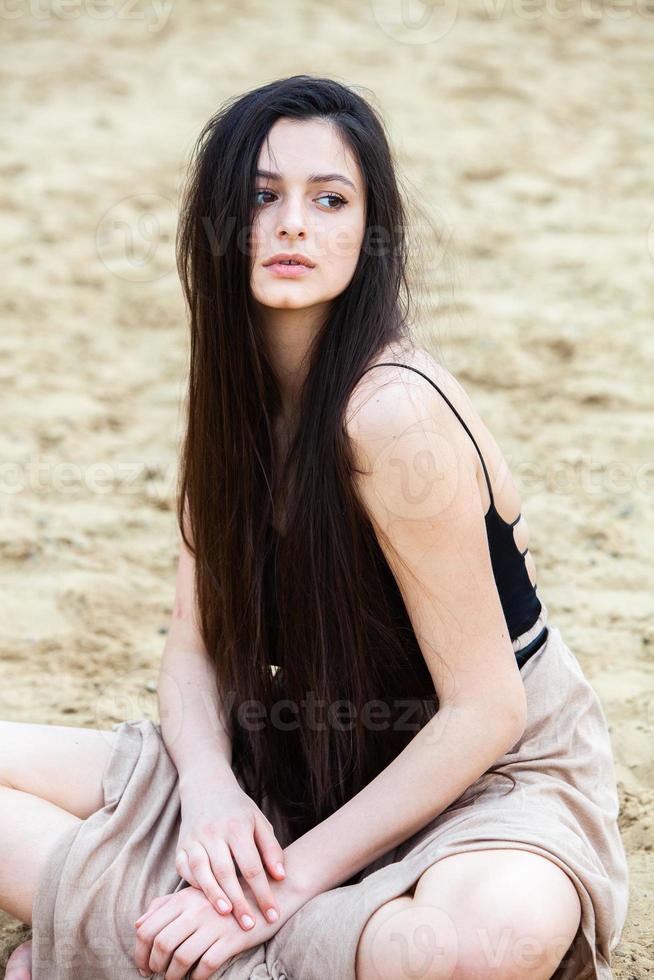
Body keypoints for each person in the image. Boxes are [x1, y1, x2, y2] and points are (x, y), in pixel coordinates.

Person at [4, 74, 629, 980]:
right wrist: (215, 797)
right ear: (217, 223)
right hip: (289, 760)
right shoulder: (235, 400)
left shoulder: (391, 414)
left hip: (480, 777)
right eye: (262, 197)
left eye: (330, 199)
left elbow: (488, 709)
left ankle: (170, 946)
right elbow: (192, 651)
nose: (294, 222)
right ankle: (219, 943)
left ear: (368, 236)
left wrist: (283, 888)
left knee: (481, 942)